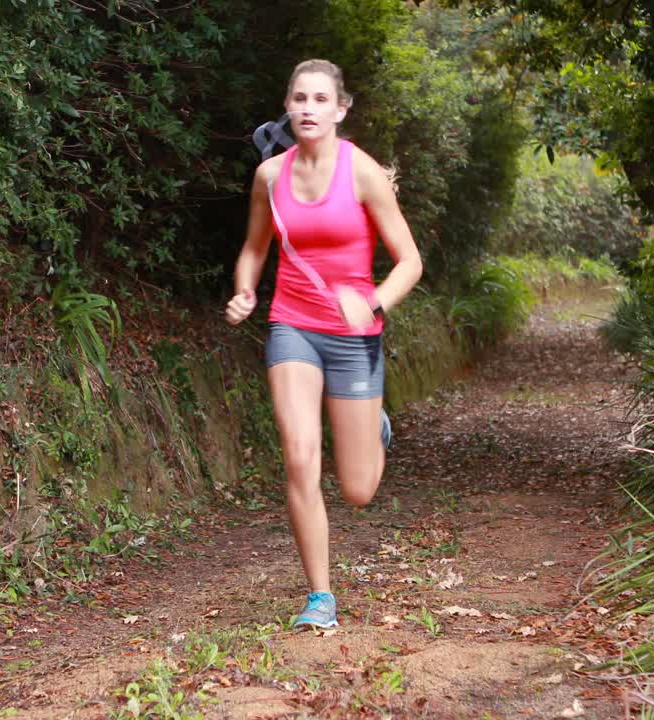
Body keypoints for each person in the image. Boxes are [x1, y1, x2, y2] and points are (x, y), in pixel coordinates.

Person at [225, 59, 423, 629]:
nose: (308, 108)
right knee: (299, 454)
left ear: (340, 110)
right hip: (293, 325)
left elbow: (410, 261)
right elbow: (255, 249)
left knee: (359, 490)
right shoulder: (270, 177)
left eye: (320, 99)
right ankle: (320, 597)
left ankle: (373, 424)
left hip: (355, 334)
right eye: (299, 98)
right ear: (288, 106)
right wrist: (245, 291)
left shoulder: (362, 174)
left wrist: (376, 300)